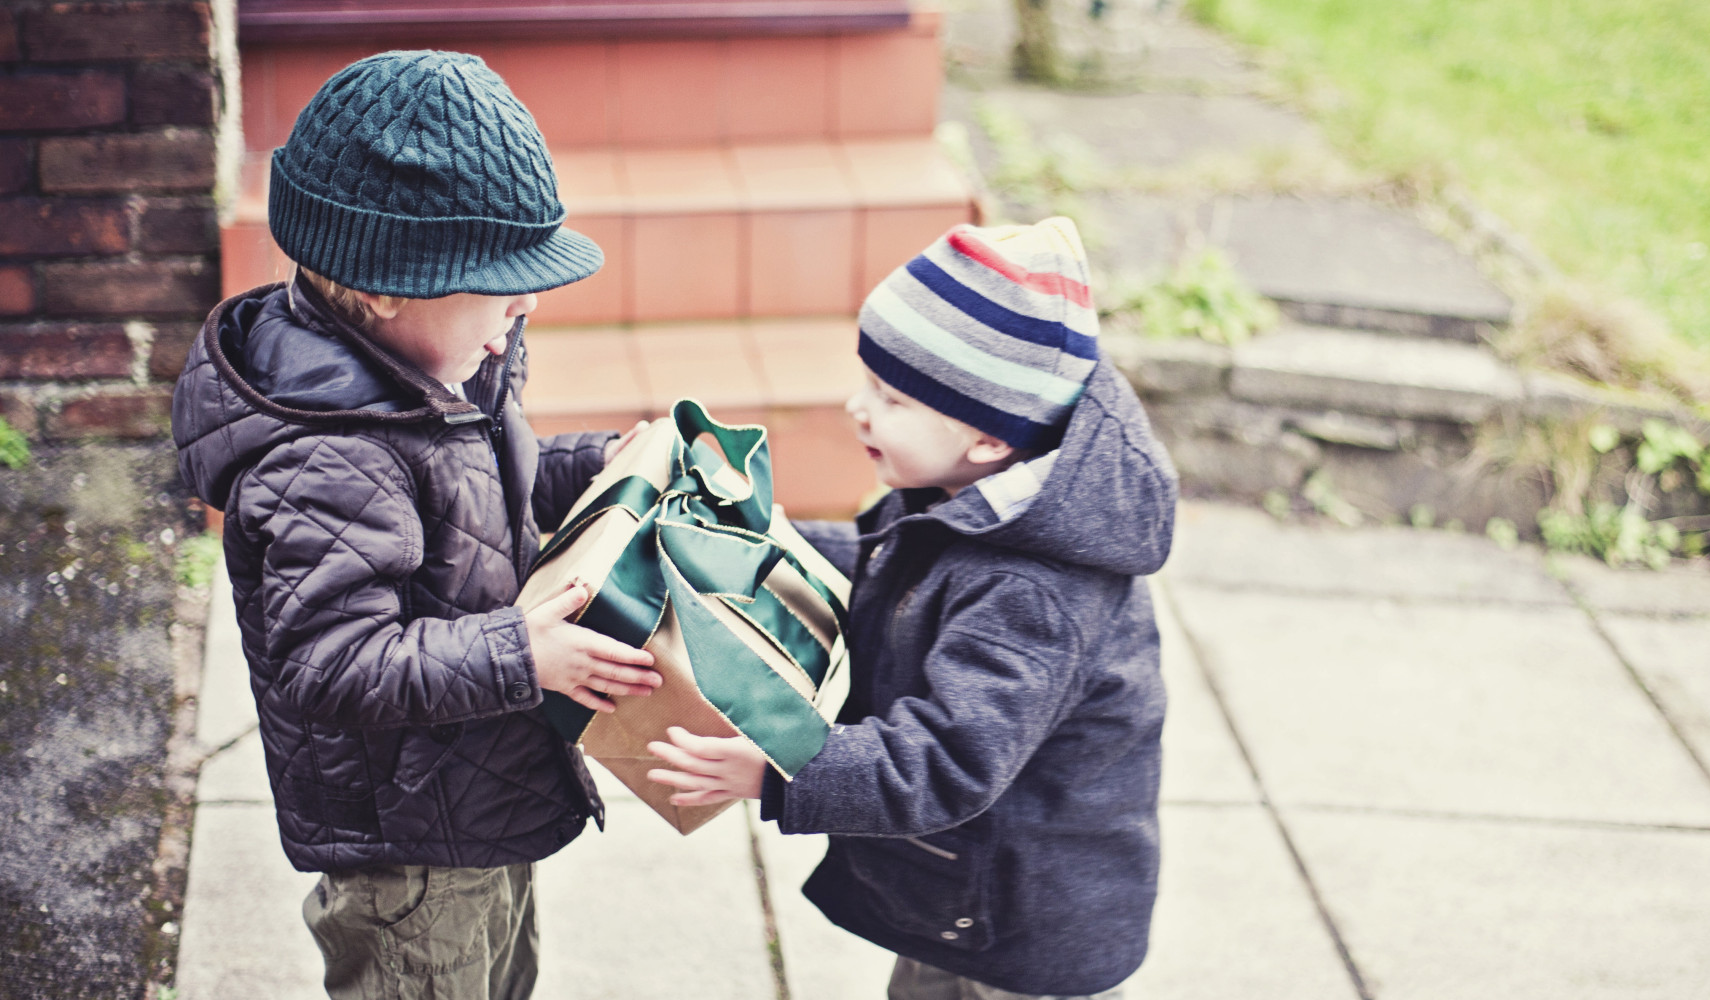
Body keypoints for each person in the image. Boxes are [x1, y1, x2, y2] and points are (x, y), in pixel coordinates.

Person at [172, 50, 660, 999]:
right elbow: (333, 661)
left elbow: (468, 500)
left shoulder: (433, 363)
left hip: (474, 792)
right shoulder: (325, 454)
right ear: (392, 285)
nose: (527, 304)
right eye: (503, 281)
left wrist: (585, 469)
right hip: (410, 848)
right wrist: (522, 654)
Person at [645, 217, 1178, 1000]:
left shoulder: (1032, 593)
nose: (858, 408)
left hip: (1018, 919)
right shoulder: (964, 494)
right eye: (868, 382)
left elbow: (947, 759)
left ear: (989, 438)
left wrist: (778, 771)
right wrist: (760, 540)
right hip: (962, 888)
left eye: (892, 398)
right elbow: (890, 565)